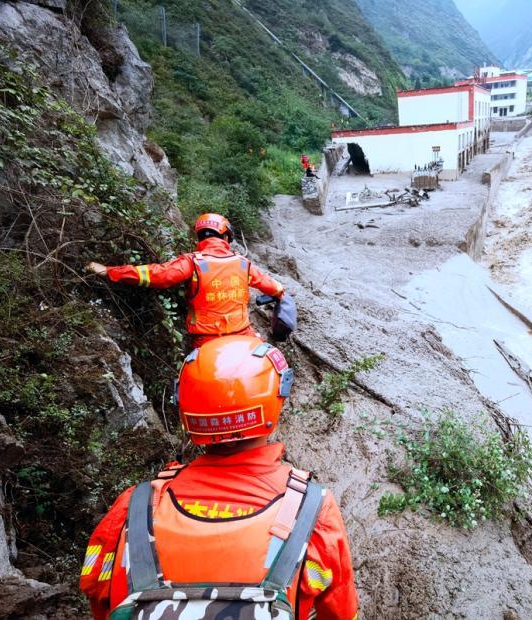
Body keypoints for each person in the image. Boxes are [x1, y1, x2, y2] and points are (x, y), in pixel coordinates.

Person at [79, 335, 358, 620]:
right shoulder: (313, 509)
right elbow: (340, 611)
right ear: (276, 403)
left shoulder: (134, 507)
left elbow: (99, 597)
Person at [87, 213, 286, 348]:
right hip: (242, 334)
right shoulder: (243, 264)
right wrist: (279, 293)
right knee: (266, 360)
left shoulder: (192, 262)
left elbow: (158, 275)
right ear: (226, 237)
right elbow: (272, 286)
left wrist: (112, 271)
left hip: (205, 340)